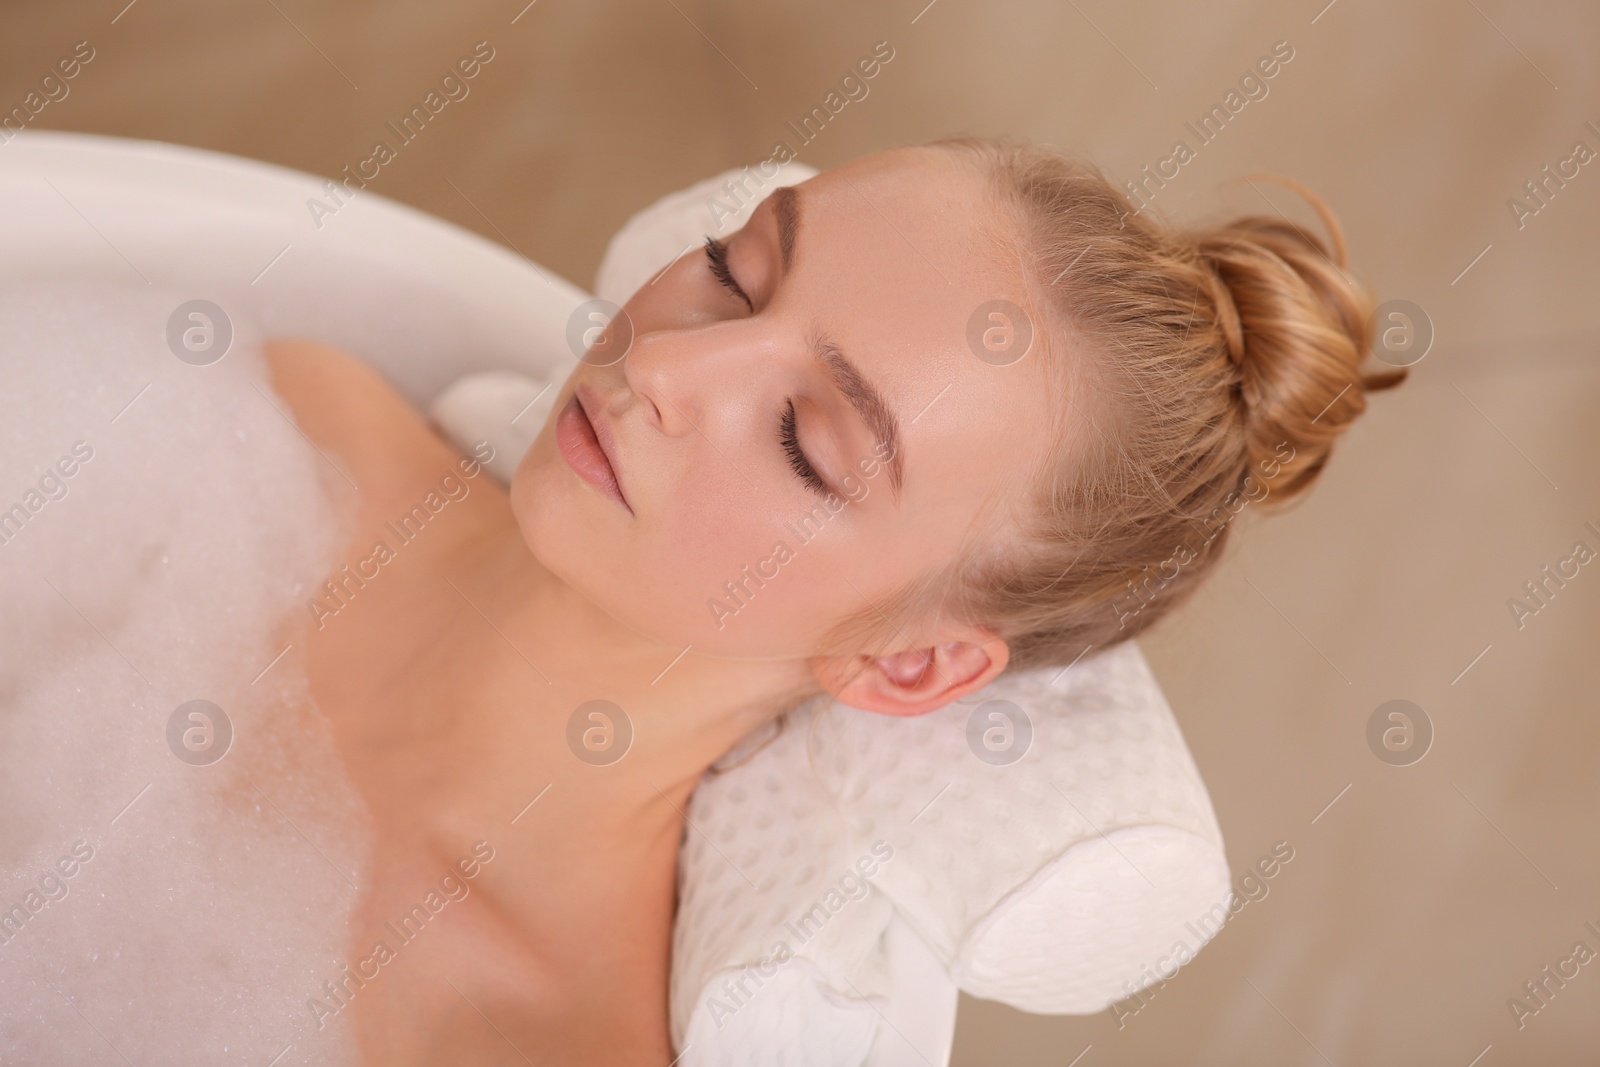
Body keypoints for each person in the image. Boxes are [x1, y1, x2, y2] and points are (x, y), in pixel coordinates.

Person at [265, 136, 1406, 1065]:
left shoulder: (528, 1034)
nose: (663, 368)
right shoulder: (285, 420)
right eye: (733, 272)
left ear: (906, 664)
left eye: (804, 444)